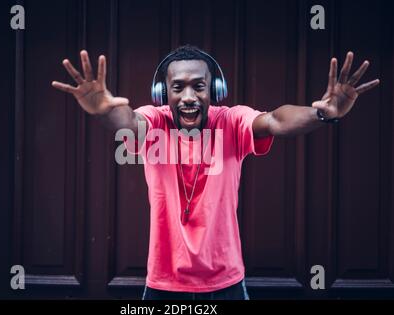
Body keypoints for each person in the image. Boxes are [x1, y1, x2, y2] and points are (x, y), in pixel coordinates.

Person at [52, 45, 379, 300]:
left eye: (199, 86)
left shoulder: (233, 122)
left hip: (226, 283)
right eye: (178, 87)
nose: (189, 97)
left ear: (215, 90)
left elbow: (278, 121)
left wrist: (323, 115)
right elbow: (127, 123)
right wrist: (102, 112)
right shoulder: (154, 122)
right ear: (163, 93)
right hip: (164, 284)